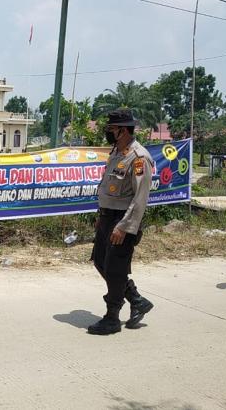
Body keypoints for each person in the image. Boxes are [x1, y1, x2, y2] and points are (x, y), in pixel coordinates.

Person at [88, 108, 154, 336]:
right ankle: (136, 299)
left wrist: (124, 227)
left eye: (112, 129)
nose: (108, 133)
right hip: (108, 216)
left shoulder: (139, 158)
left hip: (123, 220)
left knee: (115, 269)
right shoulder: (116, 152)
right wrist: (102, 217)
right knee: (100, 261)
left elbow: (140, 198)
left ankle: (112, 317)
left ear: (124, 131)